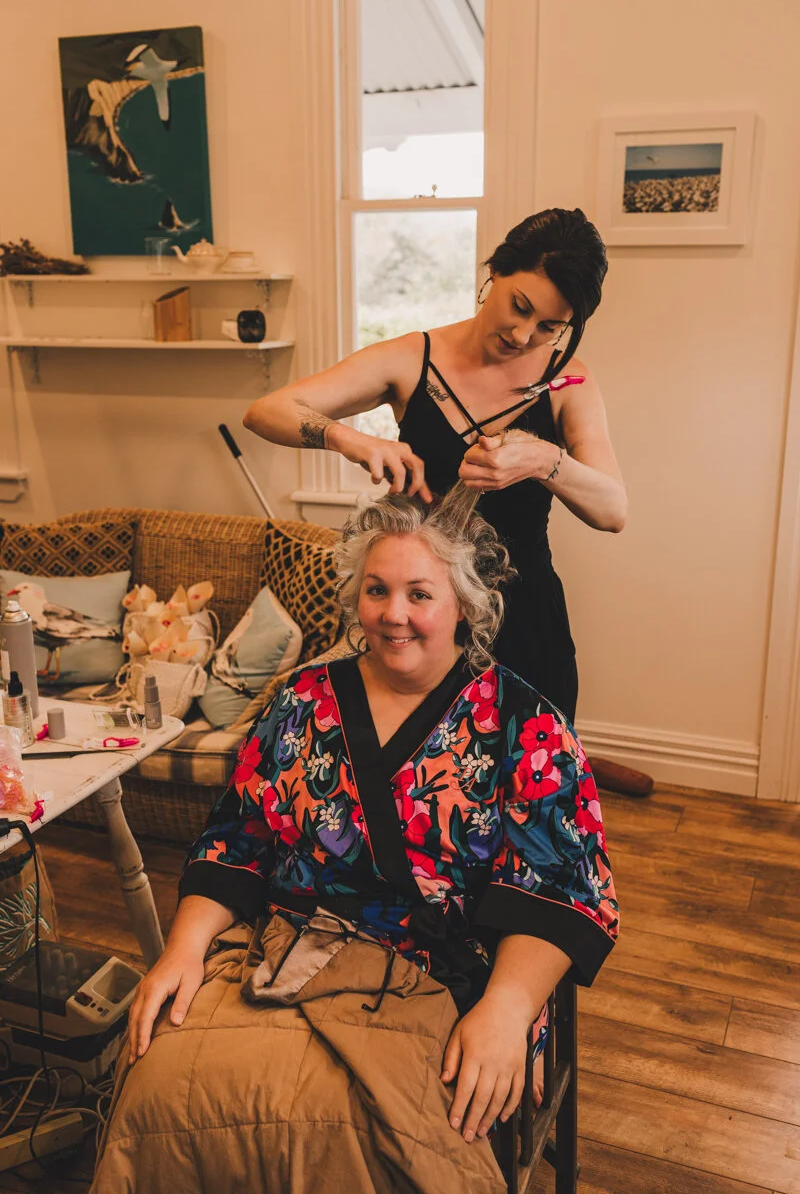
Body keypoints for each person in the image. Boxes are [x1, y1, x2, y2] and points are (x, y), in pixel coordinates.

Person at [91, 486, 618, 1194]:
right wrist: (183, 949)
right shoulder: (300, 702)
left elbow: (562, 889)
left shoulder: (528, 727)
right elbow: (236, 838)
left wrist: (508, 1009)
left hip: (442, 976)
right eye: (377, 590)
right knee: (158, 1090)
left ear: (466, 604)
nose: (394, 613)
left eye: (419, 594)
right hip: (283, 953)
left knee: (392, 1143)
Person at [243, 207, 627, 721]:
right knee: (413, 768)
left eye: (549, 327)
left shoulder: (567, 381)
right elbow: (265, 412)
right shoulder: (412, 359)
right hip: (415, 621)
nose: (522, 335)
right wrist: (353, 441)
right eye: (519, 306)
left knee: (527, 769)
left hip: (525, 622)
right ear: (495, 271)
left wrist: (543, 458)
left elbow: (613, 511)